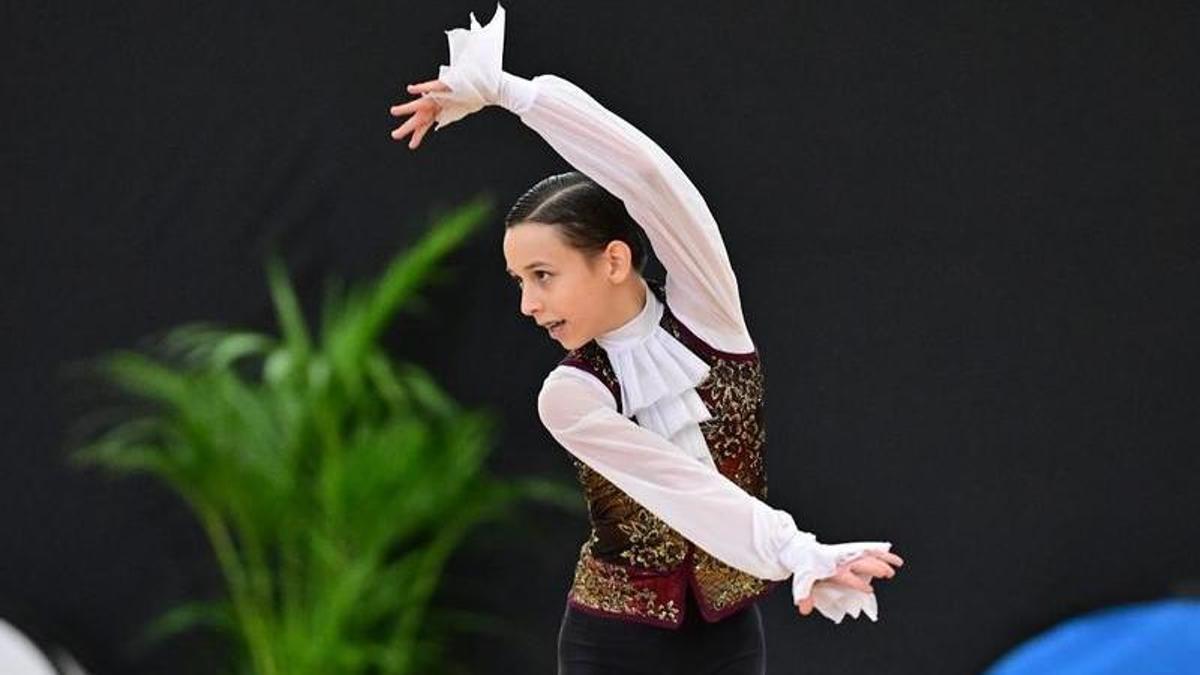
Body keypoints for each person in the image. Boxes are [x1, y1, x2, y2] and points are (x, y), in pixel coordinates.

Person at [389, 4, 905, 673]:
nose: (527, 303)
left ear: (613, 259)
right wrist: (795, 549)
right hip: (611, 643)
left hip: (726, 636)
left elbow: (651, 180)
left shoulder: (709, 319)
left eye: (543, 275)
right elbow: (684, 488)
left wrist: (516, 95)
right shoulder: (570, 393)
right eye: (519, 280)